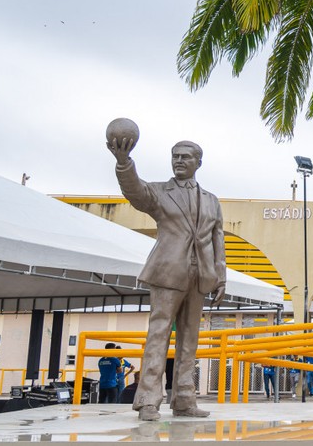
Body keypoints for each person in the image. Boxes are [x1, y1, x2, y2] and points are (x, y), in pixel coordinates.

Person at [108, 135, 226, 421]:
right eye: (175, 156)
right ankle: (148, 400)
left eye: (185, 157)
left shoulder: (211, 200)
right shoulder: (160, 192)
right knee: (158, 335)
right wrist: (123, 162)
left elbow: (217, 237)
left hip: (200, 275)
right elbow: (135, 192)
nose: (179, 161)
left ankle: (185, 398)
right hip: (168, 272)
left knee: (190, 341)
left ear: (198, 162)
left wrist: (220, 275)